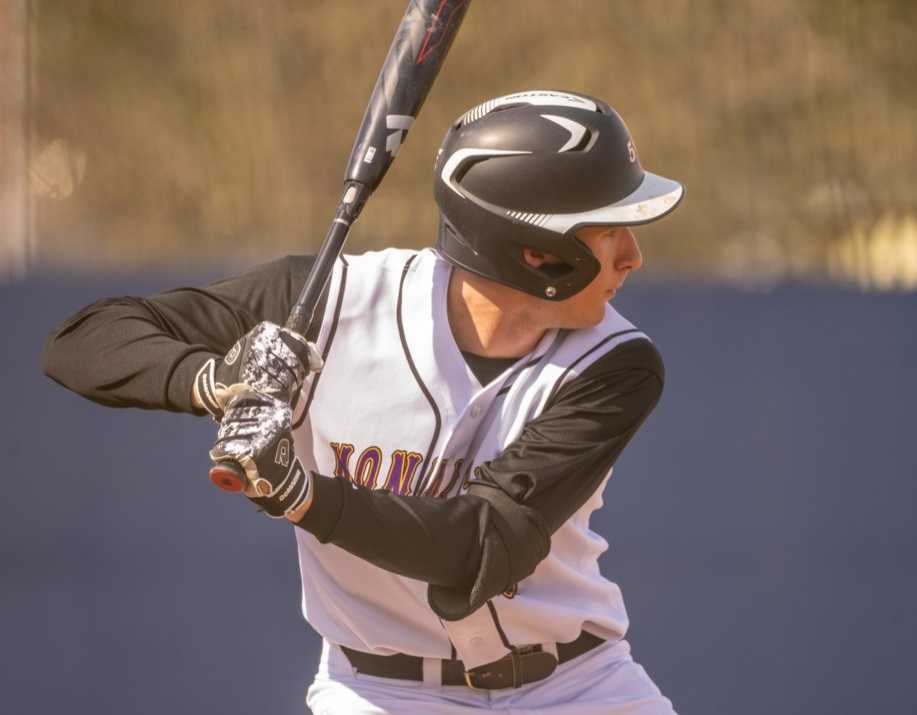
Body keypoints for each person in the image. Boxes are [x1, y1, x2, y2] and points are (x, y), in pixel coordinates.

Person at [42, 89, 684, 714]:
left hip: (575, 686)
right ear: (540, 254)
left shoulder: (617, 362)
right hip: (381, 692)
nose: (633, 256)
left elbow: (480, 544)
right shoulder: (330, 302)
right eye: (609, 233)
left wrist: (301, 496)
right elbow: (83, 338)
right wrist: (214, 380)